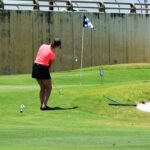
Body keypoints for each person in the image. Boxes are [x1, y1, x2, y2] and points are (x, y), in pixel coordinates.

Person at [32, 38, 61, 110]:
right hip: (43, 68)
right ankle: (44, 105)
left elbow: (39, 56)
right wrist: (46, 73)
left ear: (52, 42)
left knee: (42, 87)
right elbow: (49, 66)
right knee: (49, 88)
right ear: (57, 46)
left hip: (35, 66)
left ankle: (42, 105)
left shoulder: (43, 46)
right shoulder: (52, 54)